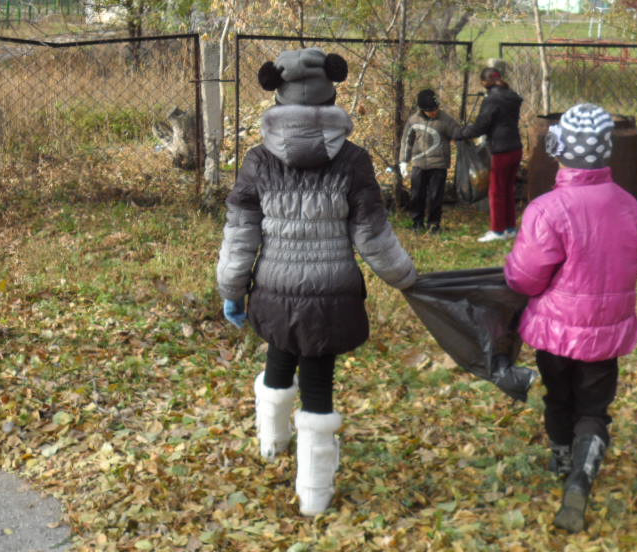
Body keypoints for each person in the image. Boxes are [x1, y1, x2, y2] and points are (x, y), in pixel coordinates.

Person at [217, 47, 417, 517]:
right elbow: (372, 237)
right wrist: (405, 277)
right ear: (331, 90)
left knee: (280, 353)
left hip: (273, 289)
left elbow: (240, 233)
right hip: (333, 294)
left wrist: (231, 289)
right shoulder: (353, 161)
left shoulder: (257, 161)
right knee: (319, 385)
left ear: (279, 93)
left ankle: (271, 442)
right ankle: (314, 492)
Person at [503, 103, 637, 533]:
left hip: (555, 331)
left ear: (560, 151)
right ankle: (581, 477)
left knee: (559, 398)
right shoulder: (628, 206)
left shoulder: (547, 209)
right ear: (606, 153)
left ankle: (562, 457)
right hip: (607, 330)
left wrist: (511, 272)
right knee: (594, 408)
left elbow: (526, 279)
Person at [458, 67, 522, 242]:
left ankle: (498, 230)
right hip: (516, 147)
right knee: (509, 189)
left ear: (485, 82)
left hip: (501, 149)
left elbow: (482, 126)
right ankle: (510, 228)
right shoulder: (512, 96)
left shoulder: (492, 100)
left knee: (496, 191)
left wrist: (462, 133)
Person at [398, 89, 464, 233]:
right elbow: (406, 141)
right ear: (422, 110)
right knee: (416, 196)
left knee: (435, 197)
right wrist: (403, 161)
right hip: (418, 164)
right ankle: (417, 223)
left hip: (439, 165)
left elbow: (457, 132)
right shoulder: (413, 120)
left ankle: (434, 224)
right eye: (430, 110)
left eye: (435, 109)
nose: (434, 112)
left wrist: (464, 133)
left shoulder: (445, 120)